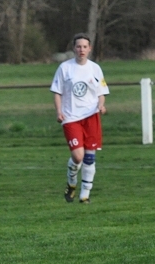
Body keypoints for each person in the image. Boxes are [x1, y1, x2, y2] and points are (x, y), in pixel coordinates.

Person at [51, 33, 108, 204]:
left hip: (91, 116)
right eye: (78, 46)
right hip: (71, 117)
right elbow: (57, 92)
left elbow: (101, 93)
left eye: (84, 47)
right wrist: (59, 111)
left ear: (89, 49)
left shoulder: (95, 68)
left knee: (89, 158)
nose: (81, 50)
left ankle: (84, 195)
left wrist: (101, 105)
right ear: (74, 48)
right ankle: (71, 182)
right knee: (78, 157)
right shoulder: (65, 68)